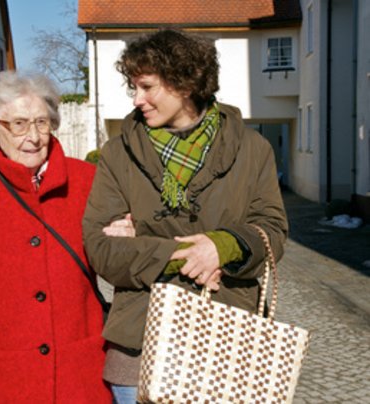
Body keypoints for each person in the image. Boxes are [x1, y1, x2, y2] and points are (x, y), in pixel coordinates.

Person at [83, 28, 288, 403]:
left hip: (228, 341)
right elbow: (102, 249)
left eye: (147, 87)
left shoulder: (253, 149)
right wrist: (189, 255)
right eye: (133, 87)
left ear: (186, 81)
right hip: (139, 345)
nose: (137, 99)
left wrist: (223, 246)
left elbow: (272, 231)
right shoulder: (116, 154)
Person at [0, 71, 116, 403]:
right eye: (19, 124)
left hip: (80, 377)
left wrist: (125, 237)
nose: (33, 137)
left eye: (41, 123)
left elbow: (120, 260)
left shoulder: (89, 181)